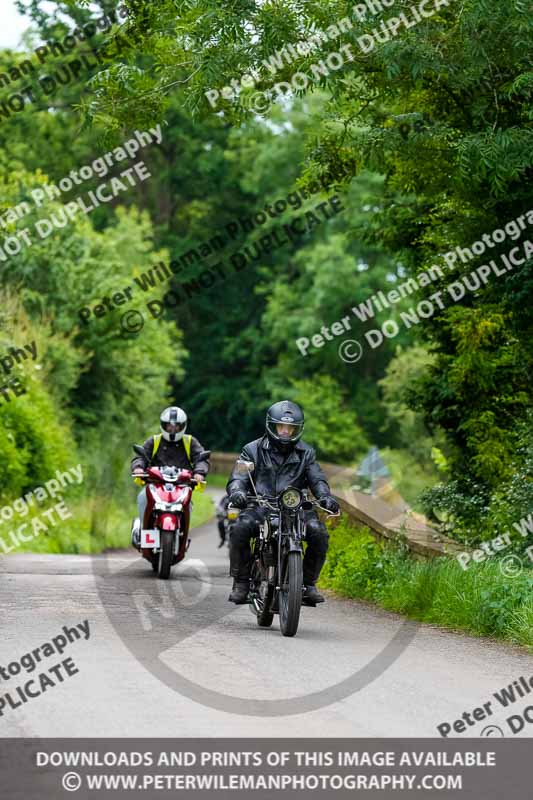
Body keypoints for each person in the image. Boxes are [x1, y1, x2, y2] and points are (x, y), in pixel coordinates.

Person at [226, 400, 340, 605]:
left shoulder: (307, 453)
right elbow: (238, 477)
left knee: (319, 532)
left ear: (298, 429)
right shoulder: (252, 450)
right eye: (282, 427)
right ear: (272, 425)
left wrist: (325, 496)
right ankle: (241, 582)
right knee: (239, 528)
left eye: (291, 428)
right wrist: (237, 492)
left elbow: (317, 478)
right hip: (260, 505)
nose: (286, 432)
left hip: (295, 508)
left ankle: (307, 584)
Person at [131, 406, 210, 543]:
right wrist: (138, 467)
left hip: (181, 485)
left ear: (183, 426)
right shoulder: (154, 441)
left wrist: (199, 473)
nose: (172, 430)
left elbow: (201, 459)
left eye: (176, 427)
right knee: (143, 497)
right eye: (169, 426)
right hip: (156, 485)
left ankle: (182, 535)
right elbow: (141, 457)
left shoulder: (190, 442)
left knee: (187, 503)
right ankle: (144, 533)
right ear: (163, 425)